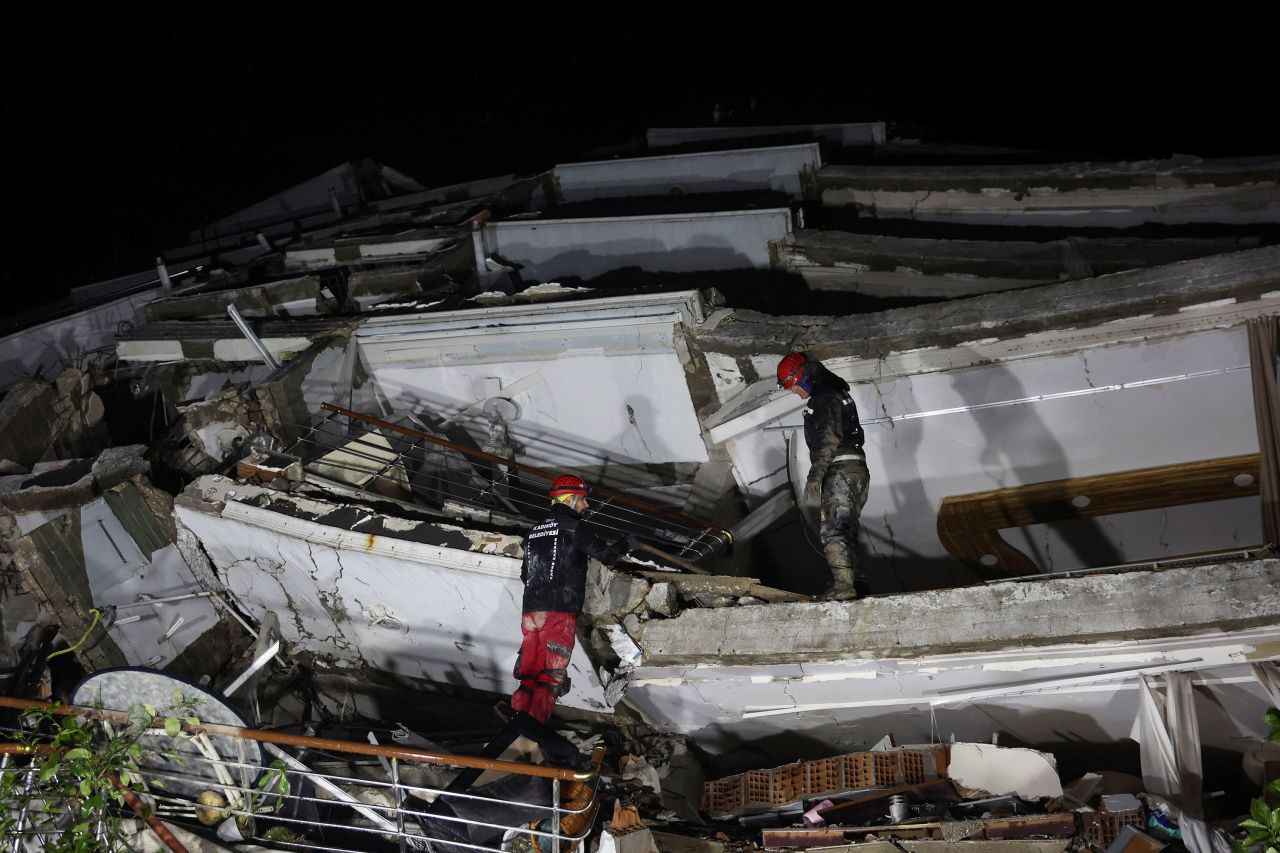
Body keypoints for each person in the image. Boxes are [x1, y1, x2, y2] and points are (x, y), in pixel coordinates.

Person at [510, 474, 640, 725]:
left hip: (531, 612)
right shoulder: (574, 527)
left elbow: (526, 575)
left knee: (529, 675)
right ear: (569, 500)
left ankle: (518, 719)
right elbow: (607, 556)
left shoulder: (534, 532)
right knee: (550, 676)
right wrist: (627, 543)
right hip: (559, 612)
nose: (586, 506)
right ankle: (534, 729)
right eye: (582, 500)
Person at [776, 352, 871, 600]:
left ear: (802, 377)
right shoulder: (834, 392)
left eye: (793, 385)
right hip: (855, 469)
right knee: (847, 529)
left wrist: (815, 476)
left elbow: (828, 437)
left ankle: (844, 586)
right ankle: (855, 582)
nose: (794, 392)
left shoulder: (825, 397)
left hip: (840, 469)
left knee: (833, 529)